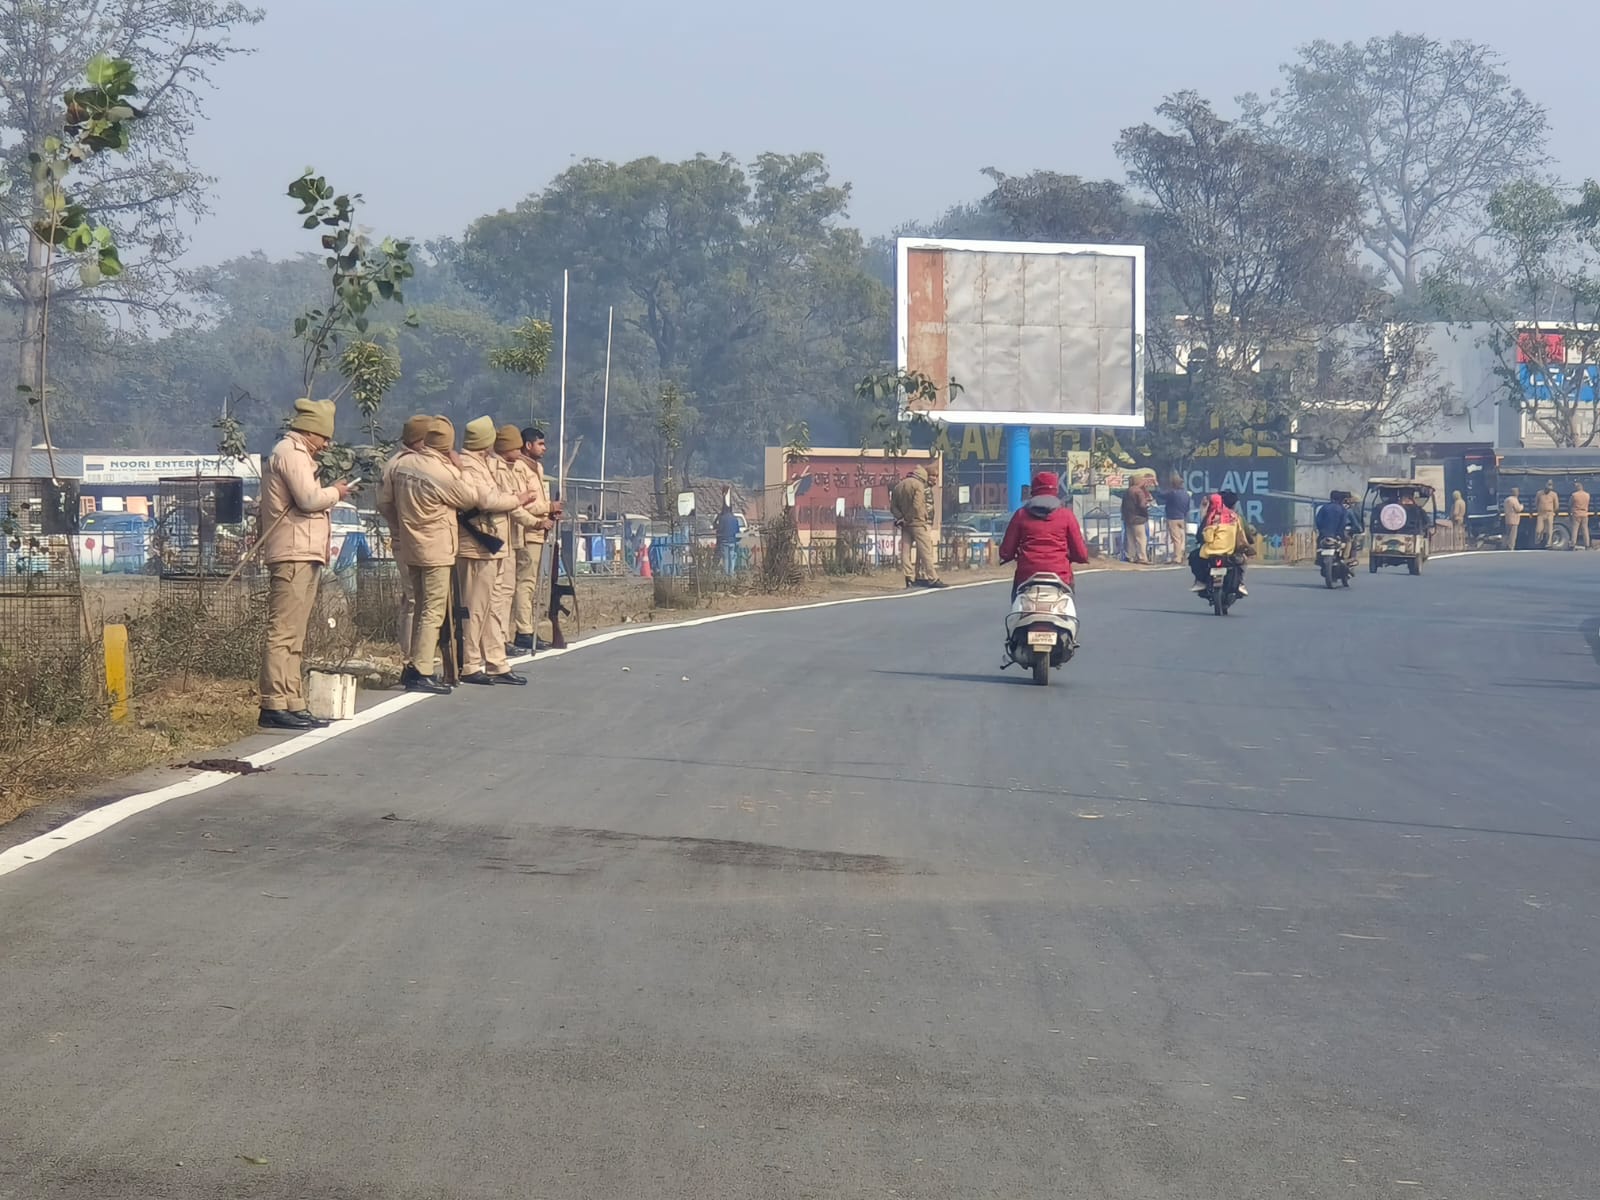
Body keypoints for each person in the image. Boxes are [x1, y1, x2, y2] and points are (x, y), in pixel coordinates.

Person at [256, 398, 350, 731]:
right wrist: (336, 492)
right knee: (283, 632)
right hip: (292, 551)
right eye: (324, 437)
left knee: (295, 635)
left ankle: (291, 700)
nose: (326, 444)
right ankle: (274, 702)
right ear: (310, 431)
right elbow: (309, 499)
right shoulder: (290, 453)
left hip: (305, 551)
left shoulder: (298, 454)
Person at [455, 416, 537, 686]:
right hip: (478, 546)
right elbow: (487, 500)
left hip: (495, 545)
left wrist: (526, 513)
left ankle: (496, 661)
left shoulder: (483, 465)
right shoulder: (469, 467)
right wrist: (518, 499)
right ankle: (469, 663)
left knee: (494, 608)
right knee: (476, 608)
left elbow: (502, 498)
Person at [375, 414, 433, 653]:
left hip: (419, 539)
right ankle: (410, 654)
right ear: (420, 440)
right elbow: (384, 503)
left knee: (420, 597)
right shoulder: (398, 465)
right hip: (406, 540)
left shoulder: (412, 463)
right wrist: (399, 527)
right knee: (413, 598)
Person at [998, 471, 1089, 596]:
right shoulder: (1066, 515)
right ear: (1056, 491)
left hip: (1027, 576)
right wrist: (1071, 556)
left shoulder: (1021, 515)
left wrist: (1011, 555)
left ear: (1033, 491)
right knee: (1068, 609)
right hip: (1060, 577)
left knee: (1017, 609)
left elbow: (1006, 552)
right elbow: (1081, 554)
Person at [507, 427, 556, 652]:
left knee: (531, 582)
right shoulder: (519, 468)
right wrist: (547, 507)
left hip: (539, 530)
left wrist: (551, 511)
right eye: (540, 444)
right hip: (526, 531)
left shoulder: (537, 467)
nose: (544, 448)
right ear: (528, 445)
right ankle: (524, 630)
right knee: (524, 583)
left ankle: (525, 628)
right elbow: (523, 503)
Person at [1190, 490, 1256, 595]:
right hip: (1231, 551)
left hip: (1209, 552)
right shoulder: (1237, 518)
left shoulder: (1210, 517)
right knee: (1242, 560)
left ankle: (1201, 581)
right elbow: (1246, 535)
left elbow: (1201, 535)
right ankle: (1240, 583)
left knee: (1194, 557)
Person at [891, 463, 944, 588]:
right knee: (926, 551)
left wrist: (901, 519)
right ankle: (933, 578)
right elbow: (917, 505)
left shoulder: (899, 486)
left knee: (905, 552)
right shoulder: (918, 486)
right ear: (923, 476)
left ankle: (909, 578)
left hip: (905, 525)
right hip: (918, 523)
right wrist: (908, 518)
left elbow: (893, 507)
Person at [1314, 489, 1361, 565]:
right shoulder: (1343, 509)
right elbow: (1343, 523)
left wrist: (1321, 530)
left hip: (1325, 533)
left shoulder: (1324, 507)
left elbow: (1318, 521)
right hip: (1338, 534)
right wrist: (1340, 532)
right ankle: (1345, 558)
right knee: (1348, 541)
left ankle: (1318, 557)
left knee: (1319, 541)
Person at [1153, 473, 1191, 563]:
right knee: (1182, 538)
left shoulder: (1173, 493)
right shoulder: (1186, 494)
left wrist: (1156, 487)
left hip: (1173, 518)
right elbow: (1187, 507)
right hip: (1182, 517)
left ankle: (1177, 557)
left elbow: (1161, 496)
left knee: (1176, 539)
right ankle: (1183, 555)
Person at [1121, 475, 1151, 563]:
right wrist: (1147, 505)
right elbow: (1142, 505)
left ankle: (1130, 556)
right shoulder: (1138, 491)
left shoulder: (1127, 491)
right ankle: (1142, 557)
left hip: (1128, 518)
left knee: (1130, 539)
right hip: (1138, 518)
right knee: (1141, 538)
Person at [715, 502, 741, 574]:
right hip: (733, 541)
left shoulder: (722, 519)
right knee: (732, 557)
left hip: (724, 541)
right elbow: (737, 531)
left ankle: (726, 573)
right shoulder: (735, 519)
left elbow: (720, 529)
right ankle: (731, 572)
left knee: (726, 558)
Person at [1535, 480, 1559, 548]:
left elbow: (1556, 505)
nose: (1548, 490)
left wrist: (1554, 511)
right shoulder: (1539, 493)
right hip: (1541, 513)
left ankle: (1548, 543)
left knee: (1549, 530)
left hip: (1550, 513)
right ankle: (1537, 541)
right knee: (1538, 530)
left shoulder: (1554, 494)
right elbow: (1536, 502)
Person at [1571, 479, 1592, 549]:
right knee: (1585, 530)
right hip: (1585, 513)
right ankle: (1587, 545)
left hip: (1576, 514)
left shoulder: (1574, 495)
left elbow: (1570, 504)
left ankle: (1573, 544)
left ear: (1577, 487)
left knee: (1575, 530)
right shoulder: (1587, 495)